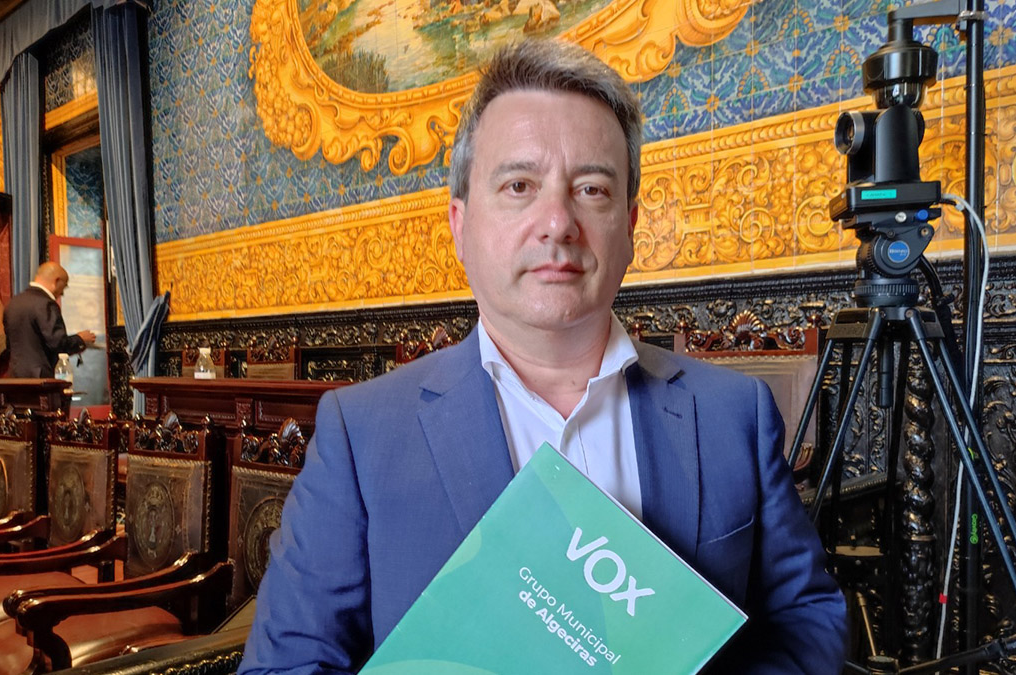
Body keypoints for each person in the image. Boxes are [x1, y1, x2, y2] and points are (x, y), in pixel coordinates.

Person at [240, 39, 847, 674]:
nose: (557, 221)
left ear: (630, 226)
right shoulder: (361, 435)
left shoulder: (733, 414)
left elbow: (807, 618)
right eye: (519, 185)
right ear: (460, 224)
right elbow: (285, 665)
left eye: (591, 189)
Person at [3, 261, 95, 378]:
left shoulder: (13, 303)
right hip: (41, 378)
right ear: (56, 281)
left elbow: (10, 345)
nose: (62, 293)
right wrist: (80, 339)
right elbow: (58, 343)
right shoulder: (46, 304)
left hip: (15, 376)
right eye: (64, 286)